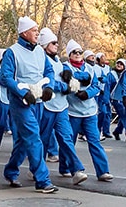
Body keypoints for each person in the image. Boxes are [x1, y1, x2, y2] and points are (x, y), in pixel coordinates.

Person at [0, 17, 57, 193]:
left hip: (38, 101)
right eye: (34, 30)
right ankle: (42, 180)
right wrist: (23, 93)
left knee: (24, 141)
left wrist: (49, 87)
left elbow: (49, 71)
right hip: (21, 103)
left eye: (37, 30)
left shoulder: (40, 51)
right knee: (33, 138)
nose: (37, 33)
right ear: (24, 33)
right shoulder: (12, 52)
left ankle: (10, 171)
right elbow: (6, 77)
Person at [36, 29, 89, 185]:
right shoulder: (41, 60)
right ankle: (37, 168)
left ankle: (76, 170)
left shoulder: (58, 60)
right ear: (45, 45)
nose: (56, 45)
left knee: (66, 138)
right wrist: (63, 87)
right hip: (47, 105)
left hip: (62, 106)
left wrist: (71, 80)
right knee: (43, 140)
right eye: (53, 43)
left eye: (56, 42)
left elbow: (70, 75)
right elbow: (47, 81)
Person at [64, 40, 111, 181]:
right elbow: (67, 79)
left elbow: (96, 85)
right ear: (69, 55)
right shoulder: (65, 67)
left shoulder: (91, 68)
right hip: (73, 111)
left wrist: (87, 93)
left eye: (80, 52)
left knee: (94, 141)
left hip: (90, 111)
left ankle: (103, 171)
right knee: (69, 142)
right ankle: (65, 167)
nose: (78, 54)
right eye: (74, 52)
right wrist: (80, 81)